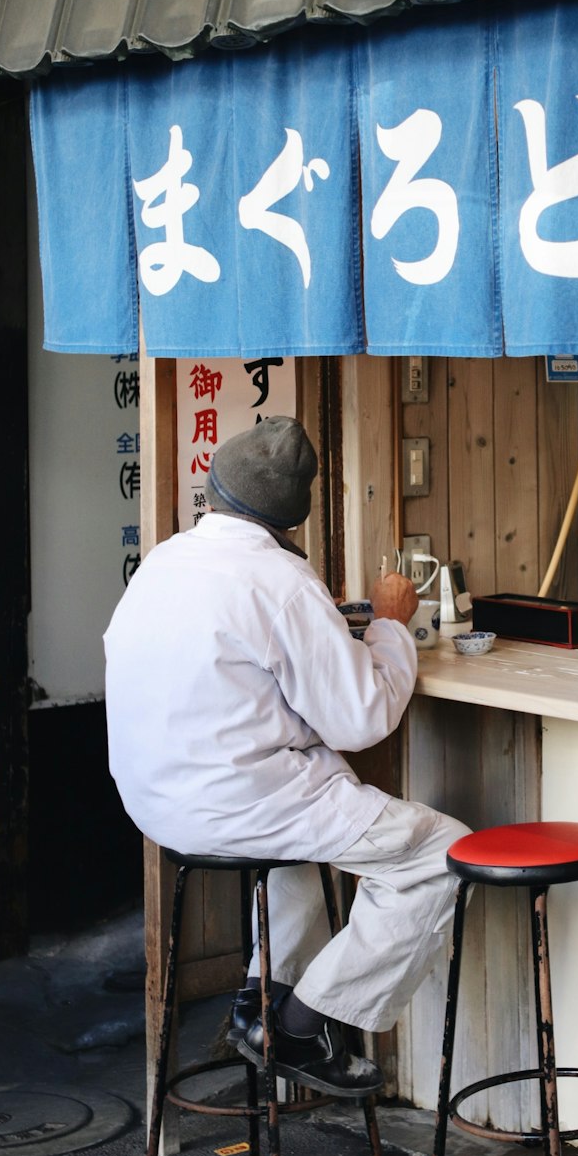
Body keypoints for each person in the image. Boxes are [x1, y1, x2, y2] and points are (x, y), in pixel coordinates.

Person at [104, 415, 469, 1097]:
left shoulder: (164, 561)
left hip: (155, 802)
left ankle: (259, 1004)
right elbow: (362, 719)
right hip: (236, 803)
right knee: (443, 855)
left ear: (213, 490)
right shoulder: (280, 581)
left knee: (302, 847)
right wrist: (390, 621)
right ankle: (302, 1024)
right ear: (290, 520)